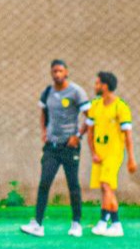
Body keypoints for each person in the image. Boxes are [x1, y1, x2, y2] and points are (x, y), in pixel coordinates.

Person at [20, 59, 90, 238]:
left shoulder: (76, 92)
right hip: (51, 147)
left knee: (73, 185)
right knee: (44, 183)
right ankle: (38, 224)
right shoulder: (48, 92)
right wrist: (44, 132)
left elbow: (90, 118)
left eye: (60, 71)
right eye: (54, 71)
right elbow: (43, 113)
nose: (57, 74)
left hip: (69, 147)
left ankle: (76, 224)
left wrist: (78, 136)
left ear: (66, 72)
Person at [86, 71, 137, 237]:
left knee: (106, 186)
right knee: (104, 188)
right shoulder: (95, 105)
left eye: (97, 83)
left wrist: (131, 158)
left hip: (113, 154)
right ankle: (115, 224)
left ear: (105, 86)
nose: (95, 86)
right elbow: (90, 131)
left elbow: (128, 135)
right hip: (99, 155)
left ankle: (104, 222)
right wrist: (93, 152)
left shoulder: (121, 107)